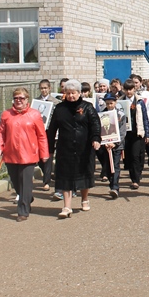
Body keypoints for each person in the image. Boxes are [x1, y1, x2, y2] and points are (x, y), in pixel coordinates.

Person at [47, 79, 102, 218]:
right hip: (65, 148)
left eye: (74, 93)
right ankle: (66, 207)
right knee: (65, 176)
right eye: (68, 93)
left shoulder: (88, 107)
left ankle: (84, 199)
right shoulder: (60, 109)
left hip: (84, 148)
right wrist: (49, 147)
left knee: (84, 174)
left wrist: (96, 139)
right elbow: (52, 128)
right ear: (64, 93)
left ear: (79, 93)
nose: (71, 96)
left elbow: (95, 124)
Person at [0, 88, 49, 222]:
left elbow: (41, 136)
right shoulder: (6, 114)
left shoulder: (35, 115)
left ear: (27, 100)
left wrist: (44, 153)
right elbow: (1, 132)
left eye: (21, 98)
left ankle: (23, 210)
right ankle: (27, 197)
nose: (18, 100)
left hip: (29, 154)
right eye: (16, 98)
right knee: (16, 182)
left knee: (25, 182)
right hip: (11, 153)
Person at [122, 79, 149, 190]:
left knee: (137, 156)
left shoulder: (140, 101)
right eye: (127, 89)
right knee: (129, 157)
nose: (129, 92)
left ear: (135, 89)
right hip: (126, 133)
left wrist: (147, 134)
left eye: (131, 89)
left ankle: (136, 178)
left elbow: (145, 118)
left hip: (138, 132)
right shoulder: (121, 101)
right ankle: (134, 177)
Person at [99, 92, 126, 198]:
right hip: (105, 145)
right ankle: (111, 183)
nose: (109, 105)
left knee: (115, 165)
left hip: (117, 145)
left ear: (115, 102)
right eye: (107, 103)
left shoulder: (121, 115)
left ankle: (115, 187)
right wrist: (104, 142)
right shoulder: (101, 114)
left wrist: (115, 143)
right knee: (107, 165)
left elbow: (123, 131)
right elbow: (100, 130)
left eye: (111, 103)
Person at [35, 79, 60, 192]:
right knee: (40, 156)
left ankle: (46, 181)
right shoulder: (36, 101)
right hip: (38, 132)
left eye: (45, 88)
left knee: (49, 154)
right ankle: (48, 172)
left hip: (51, 131)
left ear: (49, 89)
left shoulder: (55, 102)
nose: (44, 90)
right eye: (42, 88)